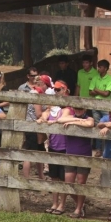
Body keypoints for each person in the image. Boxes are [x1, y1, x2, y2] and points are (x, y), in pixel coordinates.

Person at [37, 84, 70, 214]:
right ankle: (54, 203)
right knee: (54, 177)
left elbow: (62, 119)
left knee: (63, 178)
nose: (56, 92)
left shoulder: (68, 107)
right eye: (55, 90)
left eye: (59, 89)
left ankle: (62, 204)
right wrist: (43, 119)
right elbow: (43, 117)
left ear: (65, 90)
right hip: (53, 145)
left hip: (66, 147)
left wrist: (54, 121)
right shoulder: (51, 108)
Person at [57, 106, 95, 219]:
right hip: (70, 154)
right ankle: (75, 204)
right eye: (77, 109)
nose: (78, 111)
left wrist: (76, 122)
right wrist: (77, 120)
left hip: (84, 154)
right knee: (68, 183)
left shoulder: (89, 118)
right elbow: (59, 120)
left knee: (81, 183)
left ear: (85, 110)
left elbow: (90, 124)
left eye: (81, 109)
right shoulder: (70, 116)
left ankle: (78, 209)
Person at [18, 69, 45, 180]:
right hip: (33, 125)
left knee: (38, 151)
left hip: (32, 125)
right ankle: (27, 179)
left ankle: (40, 176)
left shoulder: (34, 92)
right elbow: (38, 114)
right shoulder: (36, 95)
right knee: (29, 153)